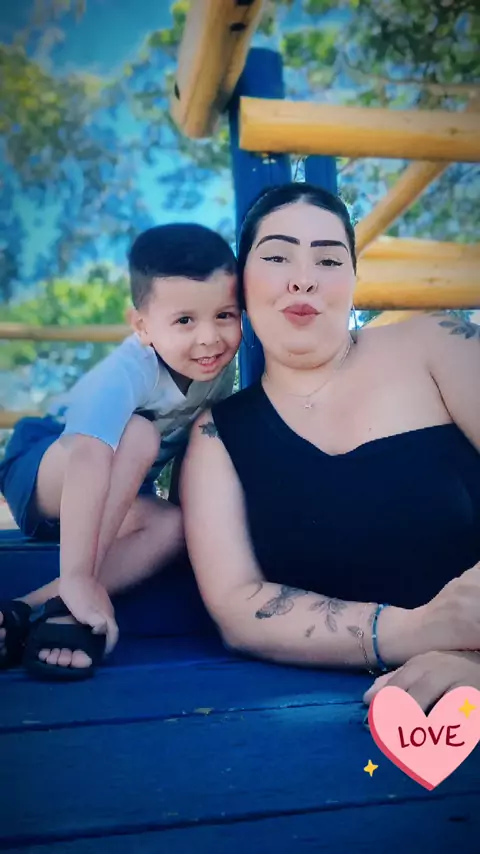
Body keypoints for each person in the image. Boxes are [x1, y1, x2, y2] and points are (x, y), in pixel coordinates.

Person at [180, 182, 480, 713]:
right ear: (240, 282)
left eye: (329, 259)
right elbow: (238, 605)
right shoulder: (218, 436)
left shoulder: (436, 344)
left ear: (352, 281)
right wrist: (421, 629)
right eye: (277, 256)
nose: (304, 278)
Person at [0, 223, 241, 680]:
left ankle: (24, 610)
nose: (210, 337)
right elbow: (89, 455)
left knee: (175, 526)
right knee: (139, 434)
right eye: (185, 321)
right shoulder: (130, 369)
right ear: (142, 326)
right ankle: (75, 594)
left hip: (117, 493)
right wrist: (79, 575)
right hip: (47, 466)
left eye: (225, 315)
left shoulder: (217, 369)